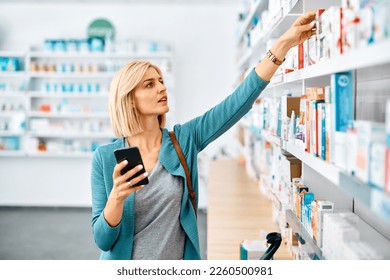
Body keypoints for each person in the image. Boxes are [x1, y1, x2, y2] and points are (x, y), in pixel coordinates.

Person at [91, 11, 317, 260]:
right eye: (149, 85)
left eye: (161, 81)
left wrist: (283, 44)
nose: (162, 88)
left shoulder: (184, 140)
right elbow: (103, 240)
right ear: (129, 100)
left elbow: (236, 103)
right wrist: (117, 198)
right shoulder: (105, 158)